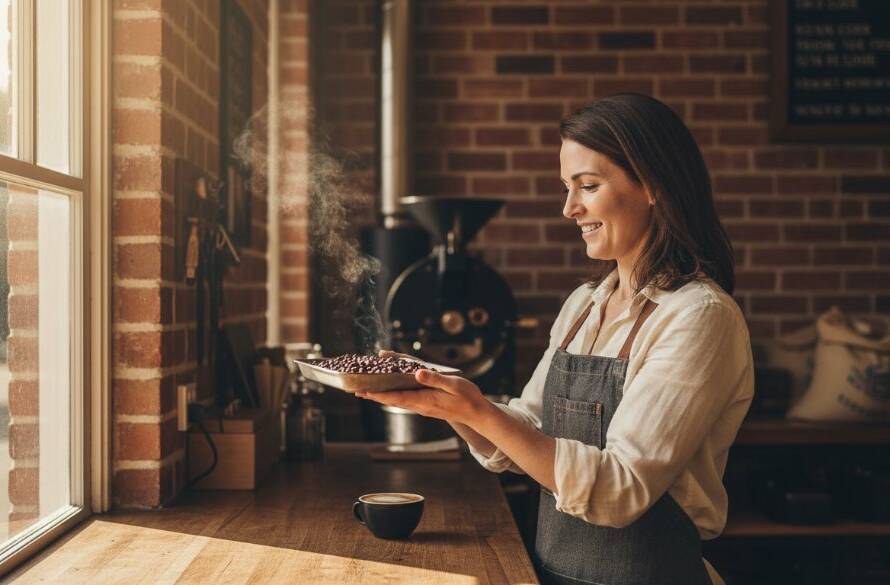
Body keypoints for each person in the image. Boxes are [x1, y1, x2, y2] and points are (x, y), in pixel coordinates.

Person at [357, 93, 754, 585]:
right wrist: (451, 405)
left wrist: (476, 410)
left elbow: (620, 489)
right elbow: (527, 427)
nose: (569, 208)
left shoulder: (698, 317)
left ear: (653, 185)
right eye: (567, 187)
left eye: (587, 185)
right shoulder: (584, 305)